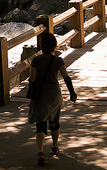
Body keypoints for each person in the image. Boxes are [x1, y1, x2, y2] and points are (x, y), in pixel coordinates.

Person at [28, 32, 77, 165]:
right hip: (55, 94)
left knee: (41, 123)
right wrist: (72, 93)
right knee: (55, 121)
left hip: (41, 94)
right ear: (54, 45)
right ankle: (55, 146)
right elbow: (66, 77)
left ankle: (40, 152)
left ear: (41, 45)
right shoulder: (58, 60)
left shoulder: (36, 60)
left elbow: (32, 79)